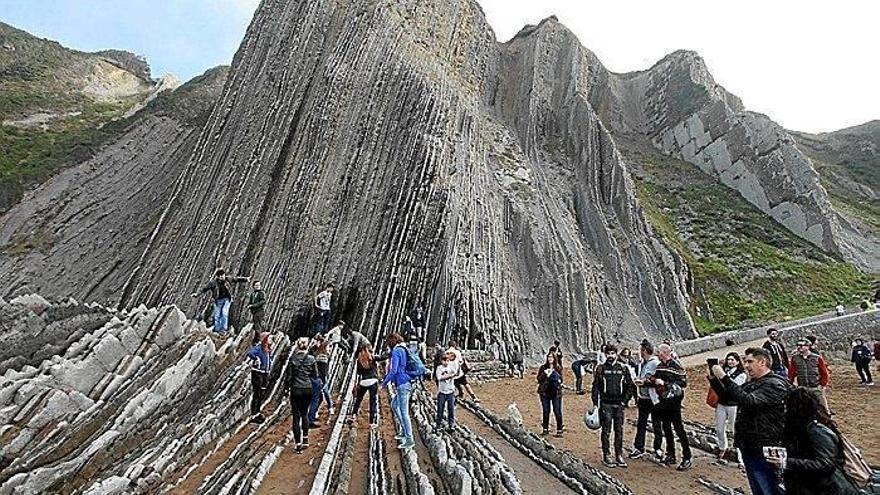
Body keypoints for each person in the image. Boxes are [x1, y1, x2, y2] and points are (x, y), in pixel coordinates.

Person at [710, 347, 791, 495]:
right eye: (745, 361)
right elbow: (731, 396)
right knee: (758, 485)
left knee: (768, 486)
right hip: (750, 443)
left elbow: (749, 401)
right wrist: (714, 380)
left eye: (750, 361)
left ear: (762, 362)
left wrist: (724, 378)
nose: (746, 365)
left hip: (765, 444)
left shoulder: (774, 384)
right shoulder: (754, 382)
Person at [765, 388, 862, 495]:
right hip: (808, 486)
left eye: (787, 406)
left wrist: (787, 462)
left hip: (823, 488)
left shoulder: (817, 431)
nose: (784, 410)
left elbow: (825, 464)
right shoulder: (800, 429)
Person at [590, 344, 634, 467]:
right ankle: (606, 454)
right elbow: (595, 387)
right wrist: (595, 403)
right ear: (605, 355)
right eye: (608, 353)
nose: (610, 356)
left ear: (616, 354)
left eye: (613, 353)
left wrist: (625, 401)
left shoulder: (623, 368)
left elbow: (630, 386)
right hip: (606, 403)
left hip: (619, 404)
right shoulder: (601, 369)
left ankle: (619, 454)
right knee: (606, 430)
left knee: (619, 430)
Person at [649, 343, 692, 471]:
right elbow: (656, 378)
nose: (657, 353)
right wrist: (650, 380)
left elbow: (683, 383)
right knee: (666, 427)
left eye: (659, 352)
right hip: (663, 400)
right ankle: (671, 454)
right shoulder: (660, 366)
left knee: (678, 428)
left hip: (674, 401)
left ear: (665, 352)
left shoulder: (676, 366)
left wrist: (666, 383)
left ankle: (687, 456)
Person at [708, 352, 747, 461]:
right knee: (720, 428)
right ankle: (722, 448)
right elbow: (717, 387)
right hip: (722, 403)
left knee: (735, 430)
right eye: (728, 360)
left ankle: (741, 456)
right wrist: (712, 378)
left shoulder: (741, 374)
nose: (730, 362)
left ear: (738, 362)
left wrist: (722, 377)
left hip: (733, 404)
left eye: (732, 360)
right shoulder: (723, 371)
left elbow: (733, 388)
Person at [381, 332, 416, 449]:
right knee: (395, 405)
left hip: (402, 384)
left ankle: (409, 439)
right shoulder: (403, 349)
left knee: (404, 411)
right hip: (405, 382)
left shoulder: (397, 351)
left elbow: (394, 370)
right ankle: (404, 432)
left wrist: (384, 382)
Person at [630, 340, 663, 460]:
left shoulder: (655, 363)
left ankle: (658, 448)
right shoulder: (641, 363)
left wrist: (645, 382)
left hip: (653, 398)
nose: (640, 352)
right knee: (641, 423)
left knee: (656, 423)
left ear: (644, 350)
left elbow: (658, 380)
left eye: (641, 350)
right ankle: (639, 447)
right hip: (643, 397)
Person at [191, 269, 249, 334]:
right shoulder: (213, 283)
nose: (222, 277)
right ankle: (217, 329)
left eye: (223, 275)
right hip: (218, 300)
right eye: (220, 276)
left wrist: (246, 279)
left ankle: (224, 329)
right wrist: (197, 294)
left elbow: (237, 279)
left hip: (227, 299)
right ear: (218, 277)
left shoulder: (228, 279)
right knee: (217, 315)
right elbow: (205, 288)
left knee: (224, 312)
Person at [286, 337, 318, 453]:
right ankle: (305, 439)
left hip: (296, 389)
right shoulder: (311, 359)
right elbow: (315, 376)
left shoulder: (293, 359)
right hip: (307, 389)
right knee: (304, 414)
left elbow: (288, 377)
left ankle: (298, 444)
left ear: (298, 346)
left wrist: (287, 388)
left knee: (296, 416)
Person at [788, 339, 831, 413]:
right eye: (798, 345)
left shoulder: (817, 358)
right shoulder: (794, 358)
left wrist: (822, 384)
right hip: (802, 387)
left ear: (808, 347)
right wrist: (790, 384)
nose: (799, 347)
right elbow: (791, 373)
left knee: (823, 406)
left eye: (801, 345)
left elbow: (824, 372)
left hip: (815, 386)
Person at [350, 345, 380, 428]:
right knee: (372, 401)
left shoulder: (359, 360)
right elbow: (384, 357)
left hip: (363, 382)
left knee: (359, 399)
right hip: (373, 381)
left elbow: (358, 373)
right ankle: (371, 422)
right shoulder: (372, 358)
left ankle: (354, 415)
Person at [246, 332, 273, 423]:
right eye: (269, 338)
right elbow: (250, 353)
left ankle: (257, 412)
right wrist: (256, 359)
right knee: (257, 394)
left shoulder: (267, 349)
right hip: (257, 373)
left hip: (264, 373)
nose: (271, 339)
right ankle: (254, 414)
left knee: (261, 393)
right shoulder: (259, 348)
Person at [308, 334, 334, 425]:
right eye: (329, 347)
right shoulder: (323, 357)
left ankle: (312, 415)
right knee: (317, 398)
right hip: (318, 380)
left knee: (318, 398)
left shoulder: (318, 355)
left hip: (315, 379)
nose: (330, 349)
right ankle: (310, 417)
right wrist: (323, 382)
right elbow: (322, 371)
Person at [537, 352, 564, 437]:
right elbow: (538, 379)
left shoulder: (558, 368)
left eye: (551, 357)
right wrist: (545, 373)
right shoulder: (543, 367)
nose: (550, 359)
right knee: (546, 410)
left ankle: (559, 429)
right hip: (545, 392)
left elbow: (561, 380)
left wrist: (553, 374)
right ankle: (545, 429)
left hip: (556, 393)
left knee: (557, 411)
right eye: (549, 357)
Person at [435, 349, 459, 430]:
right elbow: (439, 377)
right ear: (441, 361)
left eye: (447, 360)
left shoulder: (451, 367)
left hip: (450, 391)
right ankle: (438, 424)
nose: (446, 362)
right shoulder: (439, 368)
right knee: (440, 409)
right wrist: (450, 375)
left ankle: (451, 424)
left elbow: (456, 373)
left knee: (451, 409)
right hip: (442, 392)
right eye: (444, 360)